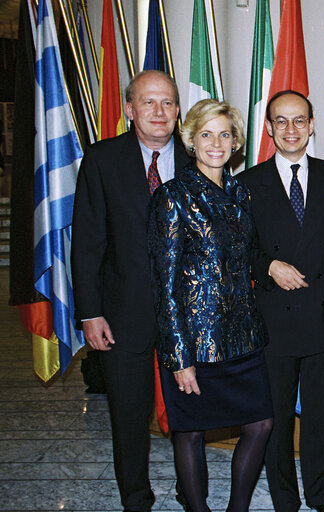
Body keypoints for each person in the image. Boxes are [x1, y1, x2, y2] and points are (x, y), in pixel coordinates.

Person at [72, 70, 190, 512]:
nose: (159, 112)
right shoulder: (102, 160)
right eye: (148, 102)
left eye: (167, 103)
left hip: (189, 316)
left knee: (190, 413)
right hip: (123, 314)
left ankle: (191, 490)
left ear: (178, 110)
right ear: (129, 109)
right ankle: (136, 499)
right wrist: (90, 312)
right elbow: (87, 243)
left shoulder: (202, 157)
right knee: (127, 415)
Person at [147, 99, 273, 512]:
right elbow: (164, 285)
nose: (216, 143)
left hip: (244, 338)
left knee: (261, 423)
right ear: (190, 140)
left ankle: (238, 508)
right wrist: (179, 356)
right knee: (190, 431)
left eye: (224, 134)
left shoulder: (241, 192)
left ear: (235, 141)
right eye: (206, 134)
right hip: (195, 342)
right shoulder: (173, 196)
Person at [237, 90, 324, 512]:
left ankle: (321, 498)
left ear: (311, 126)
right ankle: (284, 500)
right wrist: (268, 265)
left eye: (299, 120)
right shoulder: (247, 184)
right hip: (272, 322)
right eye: (281, 121)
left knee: (322, 421)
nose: (291, 129)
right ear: (269, 129)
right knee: (276, 421)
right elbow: (240, 250)